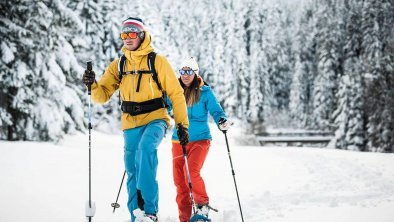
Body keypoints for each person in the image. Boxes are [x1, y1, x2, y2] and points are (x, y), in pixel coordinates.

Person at [82, 17, 189, 222]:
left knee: (145, 149)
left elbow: (176, 94)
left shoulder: (157, 61)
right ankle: (136, 215)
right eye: (124, 34)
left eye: (132, 33)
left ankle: (150, 211)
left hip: (156, 118)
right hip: (130, 123)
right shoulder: (119, 64)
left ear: (141, 35)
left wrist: (182, 125)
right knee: (131, 169)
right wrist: (92, 84)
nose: (128, 38)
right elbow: (101, 96)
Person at [167, 57, 230, 222]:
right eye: (182, 72)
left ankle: (202, 207)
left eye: (189, 72)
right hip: (178, 140)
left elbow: (216, 111)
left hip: (200, 139)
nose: (185, 75)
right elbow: (163, 106)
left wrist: (222, 120)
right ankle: (185, 218)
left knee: (191, 172)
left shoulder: (205, 92)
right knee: (180, 182)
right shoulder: (174, 91)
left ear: (195, 73)